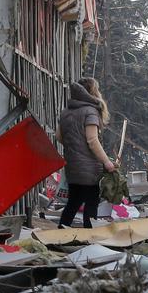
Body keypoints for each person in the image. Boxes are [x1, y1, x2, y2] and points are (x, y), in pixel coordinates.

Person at [57, 77, 116, 228]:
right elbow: (92, 141)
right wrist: (107, 162)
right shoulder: (90, 111)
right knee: (91, 205)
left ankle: (60, 233)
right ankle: (90, 238)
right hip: (89, 169)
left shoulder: (66, 112)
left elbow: (59, 136)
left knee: (73, 203)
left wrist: (75, 149)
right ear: (93, 92)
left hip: (72, 166)